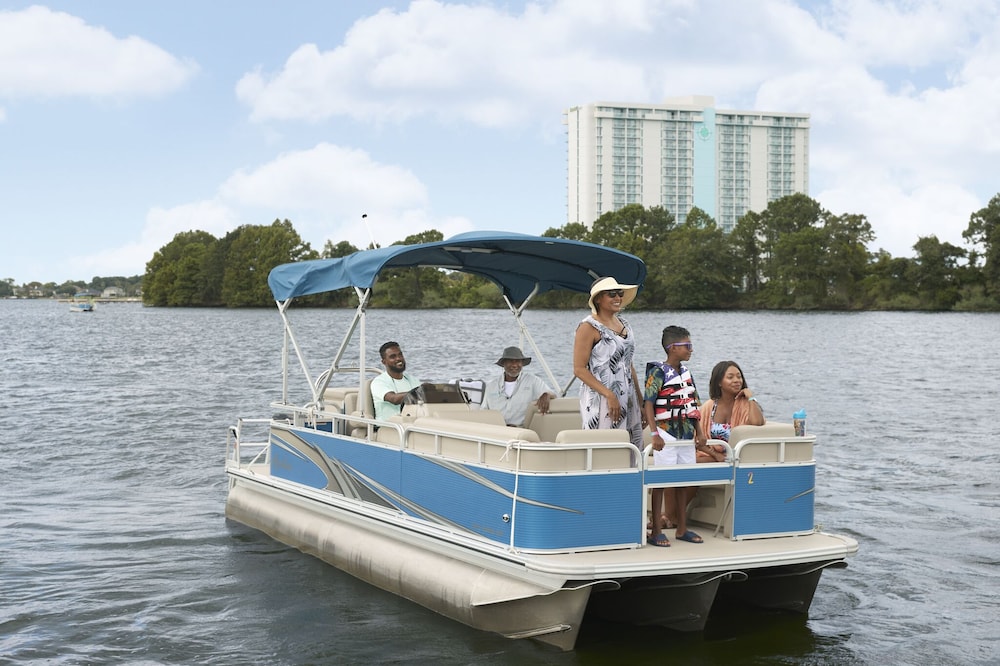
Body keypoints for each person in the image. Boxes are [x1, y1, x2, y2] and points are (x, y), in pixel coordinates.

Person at [642, 325, 706, 547]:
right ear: (672, 348)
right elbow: (648, 404)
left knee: (684, 481)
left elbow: (693, 404)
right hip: (666, 433)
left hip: (686, 435)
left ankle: (682, 528)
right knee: (661, 481)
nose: (691, 350)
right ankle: (656, 531)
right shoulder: (658, 372)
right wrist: (654, 433)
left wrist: (699, 431)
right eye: (686, 346)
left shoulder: (686, 373)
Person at [572, 277, 644, 449]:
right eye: (612, 294)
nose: (618, 298)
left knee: (631, 446)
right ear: (598, 298)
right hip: (602, 396)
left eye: (620, 293)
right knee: (606, 447)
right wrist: (609, 395)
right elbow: (579, 369)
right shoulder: (588, 326)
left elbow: (629, 364)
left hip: (628, 394)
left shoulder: (625, 324)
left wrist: (640, 400)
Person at [697, 360, 765, 462]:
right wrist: (716, 455)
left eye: (739, 377)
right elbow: (698, 440)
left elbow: (757, 422)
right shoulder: (708, 407)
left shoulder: (746, 404)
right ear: (719, 382)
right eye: (730, 377)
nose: (737, 380)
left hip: (738, 456)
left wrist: (751, 397)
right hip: (711, 455)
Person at [479, 346, 555, 427]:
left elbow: (553, 394)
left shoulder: (533, 381)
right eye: (510, 361)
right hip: (497, 430)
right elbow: (483, 411)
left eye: (518, 361)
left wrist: (546, 395)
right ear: (504, 364)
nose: (514, 365)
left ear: (522, 364)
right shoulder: (491, 386)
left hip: (521, 431)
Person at [370, 341, 421, 421]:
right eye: (393, 357)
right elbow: (394, 399)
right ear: (384, 362)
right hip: (389, 427)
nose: (398, 358)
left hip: (411, 424)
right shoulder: (378, 382)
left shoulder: (412, 379)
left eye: (400, 355)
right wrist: (422, 393)